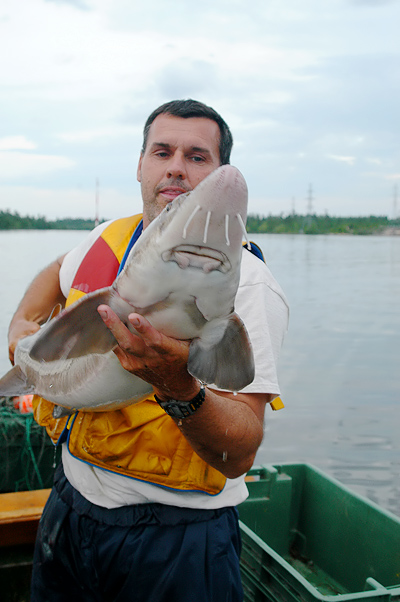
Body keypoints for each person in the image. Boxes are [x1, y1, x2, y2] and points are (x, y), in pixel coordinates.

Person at [8, 99, 289, 602]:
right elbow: (55, 271)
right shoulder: (108, 237)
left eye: (198, 157)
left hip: (177, 538)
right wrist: (21, 329)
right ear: (141, 163)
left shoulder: (252, 288)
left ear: (216, 172)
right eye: (163, 151)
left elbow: (241, 450)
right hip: (71, 502)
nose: (176, 167)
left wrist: (178, 383)